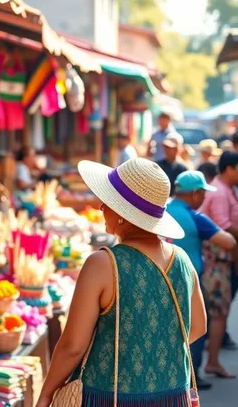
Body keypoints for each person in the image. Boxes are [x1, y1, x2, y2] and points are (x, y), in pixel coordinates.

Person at [38, 158, 206, 406]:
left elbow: (73, 346)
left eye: (108, 202)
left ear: (123, 214)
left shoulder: (103, 263)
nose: (101, 207)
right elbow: (197, 328)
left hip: (111, 397)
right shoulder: (182, 260)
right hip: (173, 396)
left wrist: (46, 394)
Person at [166, 171, 236, 389]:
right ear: (195, 193)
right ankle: (191, 376)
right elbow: (229, 242)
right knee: (194, 327)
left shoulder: (162, 211)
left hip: (159, 278)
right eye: (203, 193)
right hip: (188, 281)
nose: (205, 198)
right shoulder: (196, 219)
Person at [199, 151, 238, 377]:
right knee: (218, 313)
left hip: (222, 259)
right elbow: (223, 225)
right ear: (229, 168)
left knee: (218, 311)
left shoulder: (226, 190)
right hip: (218, 260)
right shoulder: (221, 192)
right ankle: (211, 361)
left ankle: (211, 359)